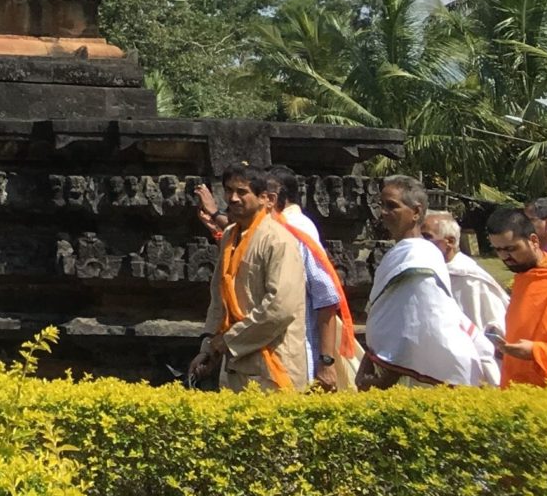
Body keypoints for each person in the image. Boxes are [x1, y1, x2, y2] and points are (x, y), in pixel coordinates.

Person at [362, 176, 498, 387]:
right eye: (382, 205)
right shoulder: (402, 253)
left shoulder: (418, 256)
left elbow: (418, 324)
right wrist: (368, 362)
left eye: (392, 206)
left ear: (416, 212)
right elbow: (387, 317)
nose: (383, 212)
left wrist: (384, 380)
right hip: (397, 368)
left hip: (420, 372)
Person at [190, 165, 310, 390]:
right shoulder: (229, 235)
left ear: (264, 198)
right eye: (228, 190)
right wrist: (208, 348)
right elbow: (219, 299)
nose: (233, 198)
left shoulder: (278, 240)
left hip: (272, 363)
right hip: (235, 362)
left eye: (242, 192)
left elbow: (280, 308)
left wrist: (227, 341)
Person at [275, 170, 358, 390]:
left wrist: (326, 361)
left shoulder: (296, 228)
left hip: (298, 349)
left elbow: (327, 297)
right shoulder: (277, 227)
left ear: (275, 196)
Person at [483, 206, 547, 388]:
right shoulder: (524, 278)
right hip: (516, 389)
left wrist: (535, 351)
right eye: (498, 250)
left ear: (533, 241)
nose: (505, 257)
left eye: (511, 249)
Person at [427, 210, 510, 342]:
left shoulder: (471, 281)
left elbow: (495, 334)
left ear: (450, 241)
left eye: (426, 237)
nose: (419, 242)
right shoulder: (426, 274)